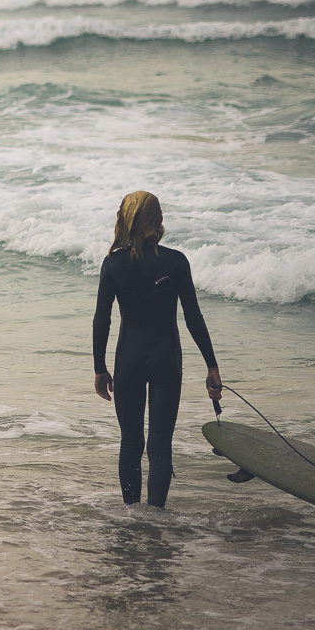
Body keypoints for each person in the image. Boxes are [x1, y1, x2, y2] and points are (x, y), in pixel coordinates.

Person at [92, 190, 220, 508]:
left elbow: (101, 320)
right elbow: (193, 318)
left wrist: (99, 368)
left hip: (128, 361)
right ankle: (155, 518)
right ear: (158, 221)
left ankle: (132, 517)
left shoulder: (113, 264)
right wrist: (212, 366)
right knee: (160, 443)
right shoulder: (175, 262)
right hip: (166, 360)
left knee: (131, 441)